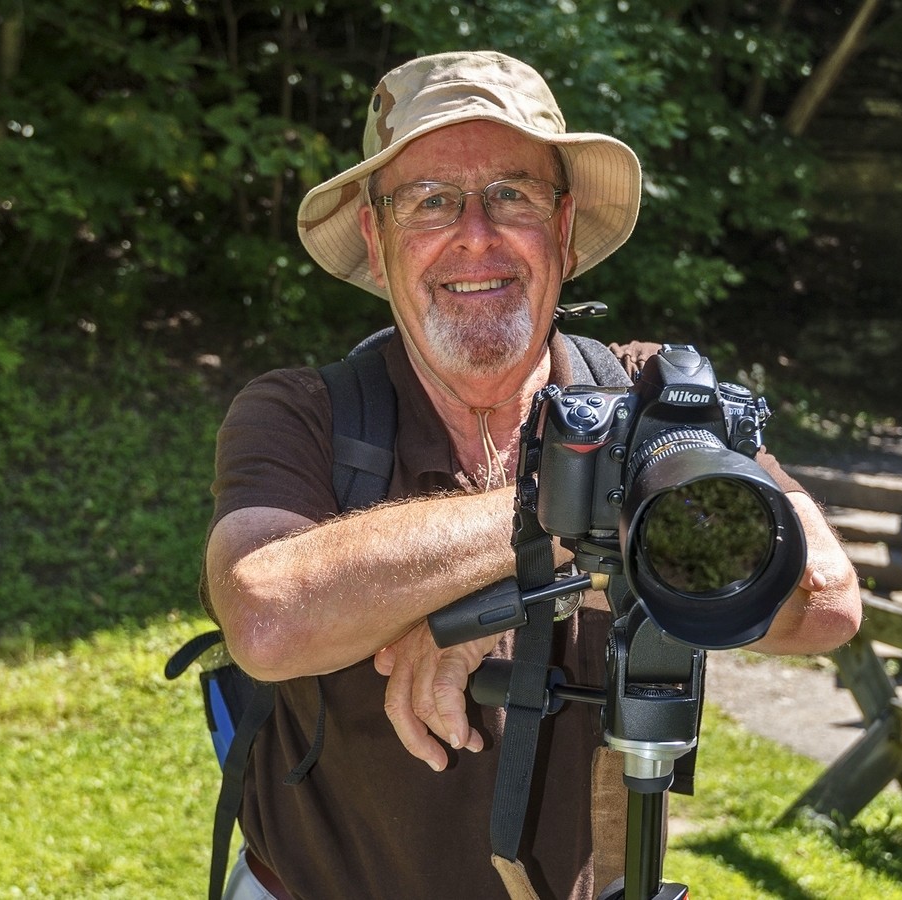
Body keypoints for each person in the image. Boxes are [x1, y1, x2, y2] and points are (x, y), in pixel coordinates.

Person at [202, 50, 861, 900]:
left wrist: (483, 602)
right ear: (375, 235)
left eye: (512, 193)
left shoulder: (654, 393)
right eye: (429, 201)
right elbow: (266, 617)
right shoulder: (304, 413)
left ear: (563, 227)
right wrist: (568, 530)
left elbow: (821, 600)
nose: (474, 231)